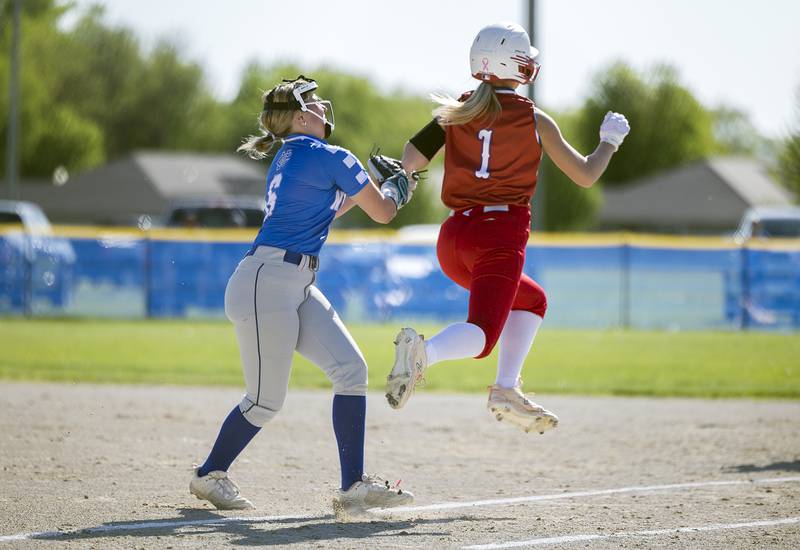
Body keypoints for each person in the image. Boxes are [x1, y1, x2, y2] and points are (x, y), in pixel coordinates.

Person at [385, 22, 630, 434]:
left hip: (452, 238)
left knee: (532, 301)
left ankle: (506, 388)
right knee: (481, 336)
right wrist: (609, 141)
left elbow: (412, 156)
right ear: (515, 65)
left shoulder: (457, 109)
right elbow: (586, 175)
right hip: (498, 236)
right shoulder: (534, 118)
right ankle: (425, 352)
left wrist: (404, 178)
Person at [190, 75, 416, 515]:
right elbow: (384, 212)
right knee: (265, 400)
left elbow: (333, 207)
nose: (320, 108)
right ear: (297, 116)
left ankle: (352, 486)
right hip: (269, 282)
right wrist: (395, 187)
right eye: (312, 104)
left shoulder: (290, 156)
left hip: (286, 281)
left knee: (351, 369)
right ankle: (209, 473)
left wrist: (374, 182)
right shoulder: (328, 155)